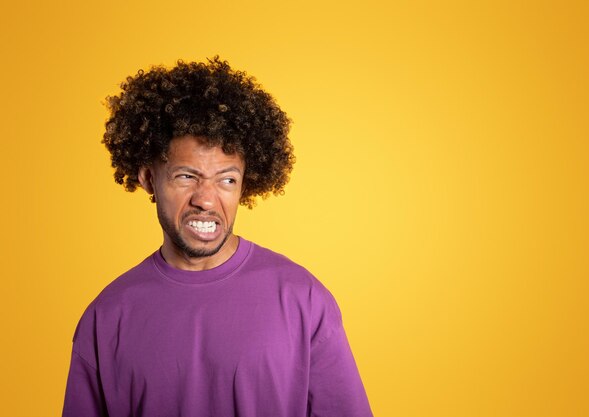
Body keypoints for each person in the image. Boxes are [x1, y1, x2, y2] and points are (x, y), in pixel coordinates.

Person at [62, 57, 373, 417]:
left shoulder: (303, 300)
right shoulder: (107, 317)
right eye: (186, 176)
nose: (206, 200)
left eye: (227, 180)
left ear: (245, 184)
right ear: (148, 178)